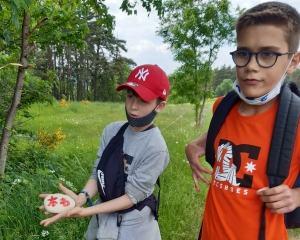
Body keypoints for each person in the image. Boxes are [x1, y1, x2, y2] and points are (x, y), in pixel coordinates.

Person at [185, 2, 300, 240]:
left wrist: (297, 196)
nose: (251, 66)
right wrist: (192, 146)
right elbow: (220, 138)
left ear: (293, 62)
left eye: (267, 54)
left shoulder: (296, 122)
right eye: (243, 53)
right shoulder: (223, 107)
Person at [39, 64, 170, 240]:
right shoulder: (112, 131)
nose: (133, 107)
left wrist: (86, 212)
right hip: (103, 216)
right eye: (130, 96)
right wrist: (82, 197)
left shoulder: (155, 147)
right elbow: (98, 173)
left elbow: (132, 196)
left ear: (159, 106)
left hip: (134, 224)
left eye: (143, 100)